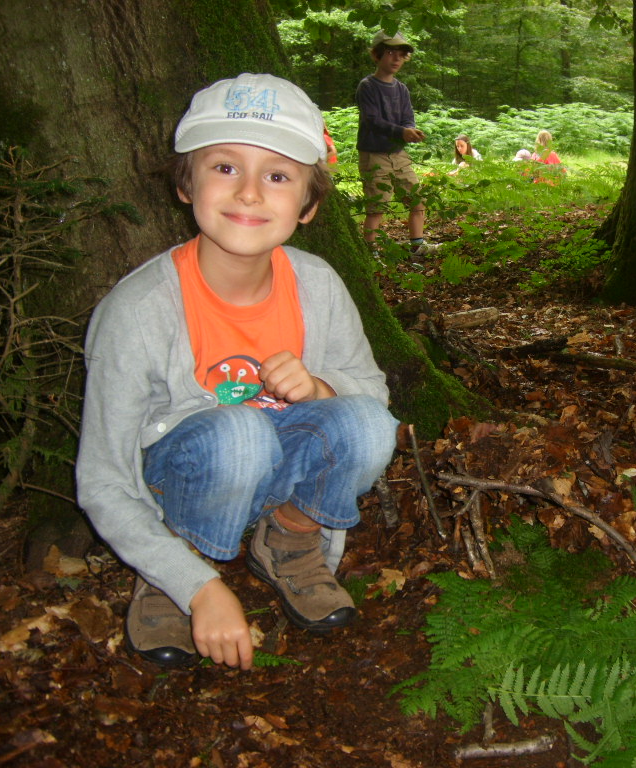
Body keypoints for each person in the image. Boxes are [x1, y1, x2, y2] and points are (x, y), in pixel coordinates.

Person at [75, 73, 399, 671]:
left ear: (308, 204)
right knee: (237, 434)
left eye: (277, 176)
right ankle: (177, 564)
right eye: (225, 167)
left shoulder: (317, 285)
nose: (249, 193)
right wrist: (200, 588)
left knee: (368, 424)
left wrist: (322, 389)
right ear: (185, 183)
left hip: (275, 467)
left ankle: (290, 539)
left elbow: (371, 395)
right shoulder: (138, 311)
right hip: (187, 479)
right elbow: (103, 477)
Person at [355, 31, 438, 256]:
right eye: (390, 53)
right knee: (376, 207)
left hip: (399, 154)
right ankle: (371, 253)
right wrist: (401, 132)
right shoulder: (367, 86)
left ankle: (417, 246)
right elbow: (372, 120)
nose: (396, 59)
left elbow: (407, 116)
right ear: (377, 55)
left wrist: (410, 130)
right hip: (373, 154)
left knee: (417, 200)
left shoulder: (401, 88)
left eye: (401, 55)